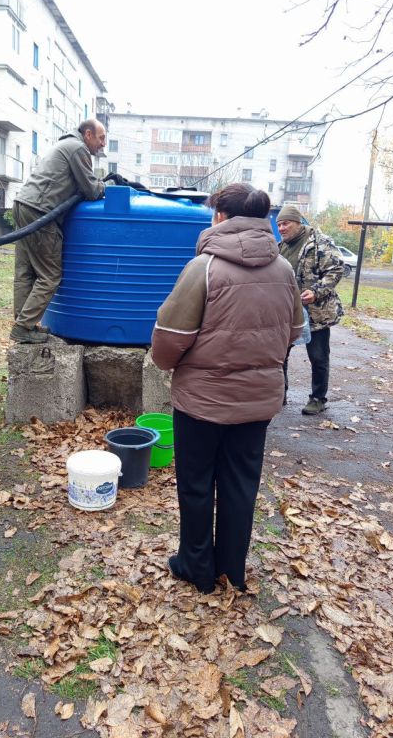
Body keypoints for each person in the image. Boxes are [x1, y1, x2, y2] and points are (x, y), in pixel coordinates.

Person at [152, 184, 304, 594]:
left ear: (220, 216)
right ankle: (232, 569)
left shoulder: (204, 267)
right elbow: (294, 331)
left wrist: (171, 363)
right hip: (257, 402)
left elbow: (169, 338)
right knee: (241, 484)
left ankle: (196, 567)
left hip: (202, 402)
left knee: (197, 484)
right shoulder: (284, 270)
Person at [11, 119, 107, 344]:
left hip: (23, 205)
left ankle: (23, 325)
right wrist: (105, 185)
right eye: (101, 138)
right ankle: (23, 326)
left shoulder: (65, 145)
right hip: (41, 212)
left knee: (26, 271)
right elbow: (91, 190)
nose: (103, 144)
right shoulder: (78, 149)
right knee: (50, 275)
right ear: (88, 134)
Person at [277, 204, 344, 415]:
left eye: (285, 223)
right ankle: (280, 394)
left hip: (316, 312)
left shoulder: (319, 243)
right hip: (288, 311)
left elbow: (336, 268)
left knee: (318, 357)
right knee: (280, 356)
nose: (281, 228)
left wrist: (316, 291)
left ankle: (318, 399)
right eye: (279, 224)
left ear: (298, 222)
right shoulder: (281, 247)